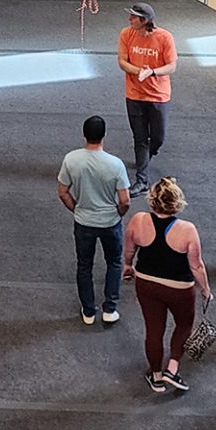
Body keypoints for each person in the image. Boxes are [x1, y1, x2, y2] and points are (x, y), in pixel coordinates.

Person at [122, 176, 210, 393]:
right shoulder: (187, 229)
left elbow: (129, 250)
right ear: (177, 202)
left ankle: (156, 375)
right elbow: (196, 266)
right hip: (179, 289)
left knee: (154, 329)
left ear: (152, 200)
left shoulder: (138, 220)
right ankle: (172, 367)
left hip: (147, 283)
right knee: (183, 324)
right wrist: (205, 289)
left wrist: (127, 266)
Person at [57, 114, 132, 328]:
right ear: (104, 136)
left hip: (84, 221)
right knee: (115, 262)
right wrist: (118, 213)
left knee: (84, 265)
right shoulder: (115, 164)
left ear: (84, 135)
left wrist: (76, 209)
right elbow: (125, 200)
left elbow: (63, 192)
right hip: (110, 222)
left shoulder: (71, 159)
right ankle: (110, 308)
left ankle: (88, 310)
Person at [118, 3, 178, 181]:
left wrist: (152, 72)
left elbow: (172, 66)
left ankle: (146, 156)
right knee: (140, 138)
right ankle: (141, 178)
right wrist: (138, 71)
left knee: (158, 138)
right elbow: (122, 61)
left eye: (133, 17)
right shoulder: (126, 34)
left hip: (158, 96)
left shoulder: (165, 37)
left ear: (144, 21)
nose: (129, 20)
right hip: (134, 94)